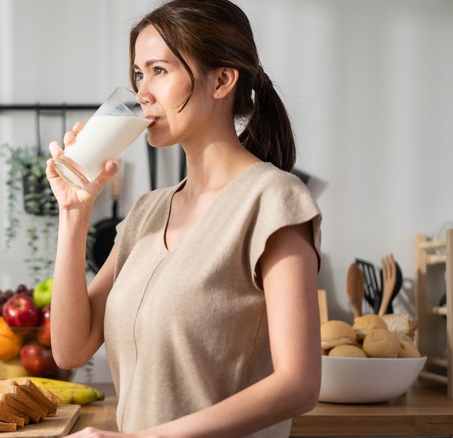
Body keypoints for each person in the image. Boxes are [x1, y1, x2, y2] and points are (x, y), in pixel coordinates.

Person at [45, 0, 322, 436]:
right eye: (138, 74)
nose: (142, 94)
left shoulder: (273, 199)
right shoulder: (146, 213)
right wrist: (74, 213)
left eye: (159, 70)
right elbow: (70, 348)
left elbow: (299, 384)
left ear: (222, 81)